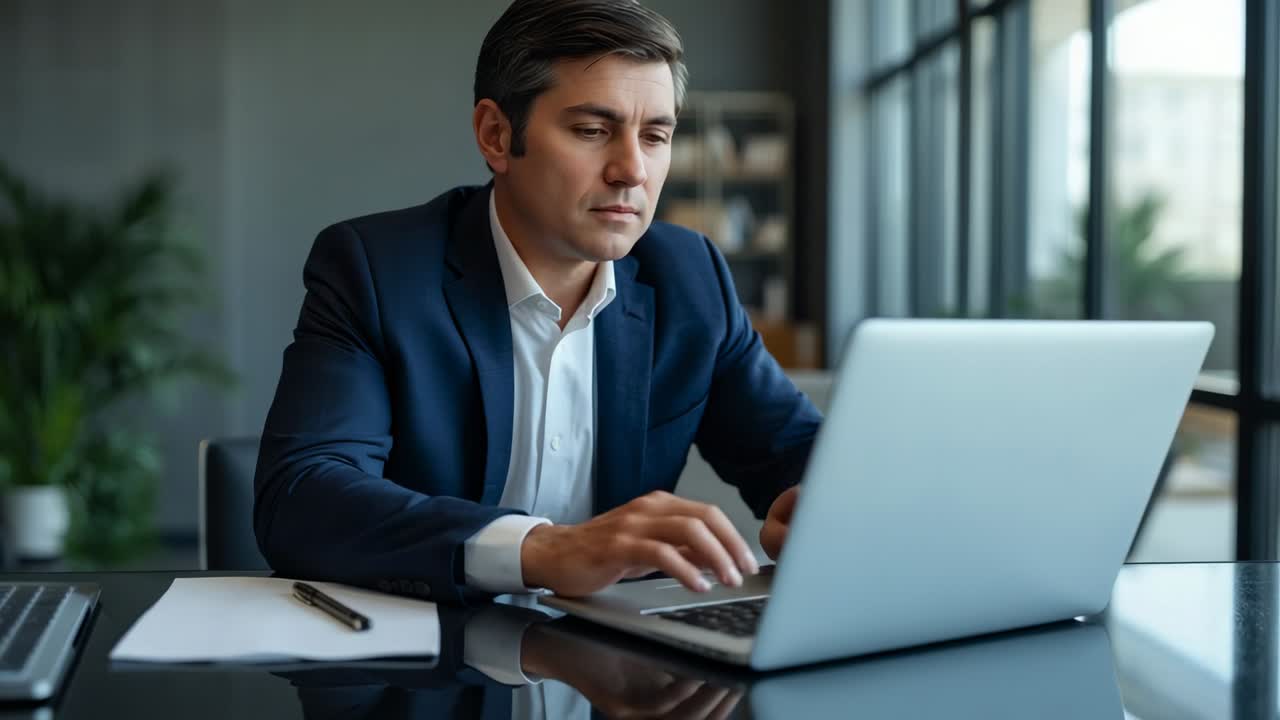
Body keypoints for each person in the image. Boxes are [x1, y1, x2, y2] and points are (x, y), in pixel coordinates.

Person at [253, 0, 822, 607]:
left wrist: (822, 501)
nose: (632, 169)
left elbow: (793, 450)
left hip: (619, 670)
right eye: (592, 130)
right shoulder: (376, 269)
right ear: (496, 135)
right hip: (431, 666)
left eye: (655, 135)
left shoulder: (689, 275)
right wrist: (541, 550)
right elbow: (302, 495)